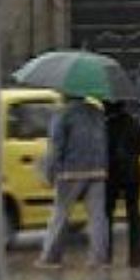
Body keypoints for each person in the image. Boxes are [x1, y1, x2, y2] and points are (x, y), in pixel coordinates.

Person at [39, 96, 110, 268]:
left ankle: (51, 257)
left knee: (61, 214)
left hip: (70, 172)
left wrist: (49, 172)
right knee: (98, 216)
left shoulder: (62, 114)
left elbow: (56, 146)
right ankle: (99, 258)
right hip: (98, 170)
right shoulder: (97, 112)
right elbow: (105, 140)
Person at [103, 99, 140, 268]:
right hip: (133, 174)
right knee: (134, 214)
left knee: (107, 214)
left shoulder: (105, 126)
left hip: (112, 174)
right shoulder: (135, 123)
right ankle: (136, 257)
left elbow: (103, 151)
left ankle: (106, 257)